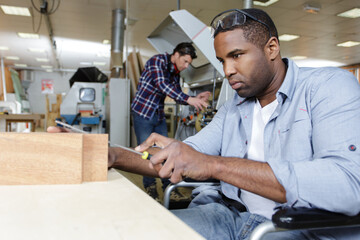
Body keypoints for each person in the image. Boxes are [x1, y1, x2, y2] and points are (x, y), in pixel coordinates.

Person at [51, 8, 360, 240]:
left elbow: (348, 186)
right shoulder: (235, 108)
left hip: (295, 227)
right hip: (227, 214)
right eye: (223, 60)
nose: (228, 70)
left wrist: (215, 166)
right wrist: (112, 154)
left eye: (237, 56)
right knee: (140, 232)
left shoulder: (329, 87)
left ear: (272, 48)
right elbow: (186, 155)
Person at [130, 42, 210, 201]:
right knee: (147, 153)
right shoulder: (157, 61)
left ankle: (168, 188)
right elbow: (163, 86)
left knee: (165, 152)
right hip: (143, 113)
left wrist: (194, 98)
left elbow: (177, 94)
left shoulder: (175, 72)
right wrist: (189, 99)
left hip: (158, 115)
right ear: (176, 55)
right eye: (185, 61)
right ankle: (150, 188)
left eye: (189, 63)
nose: (186, 66)